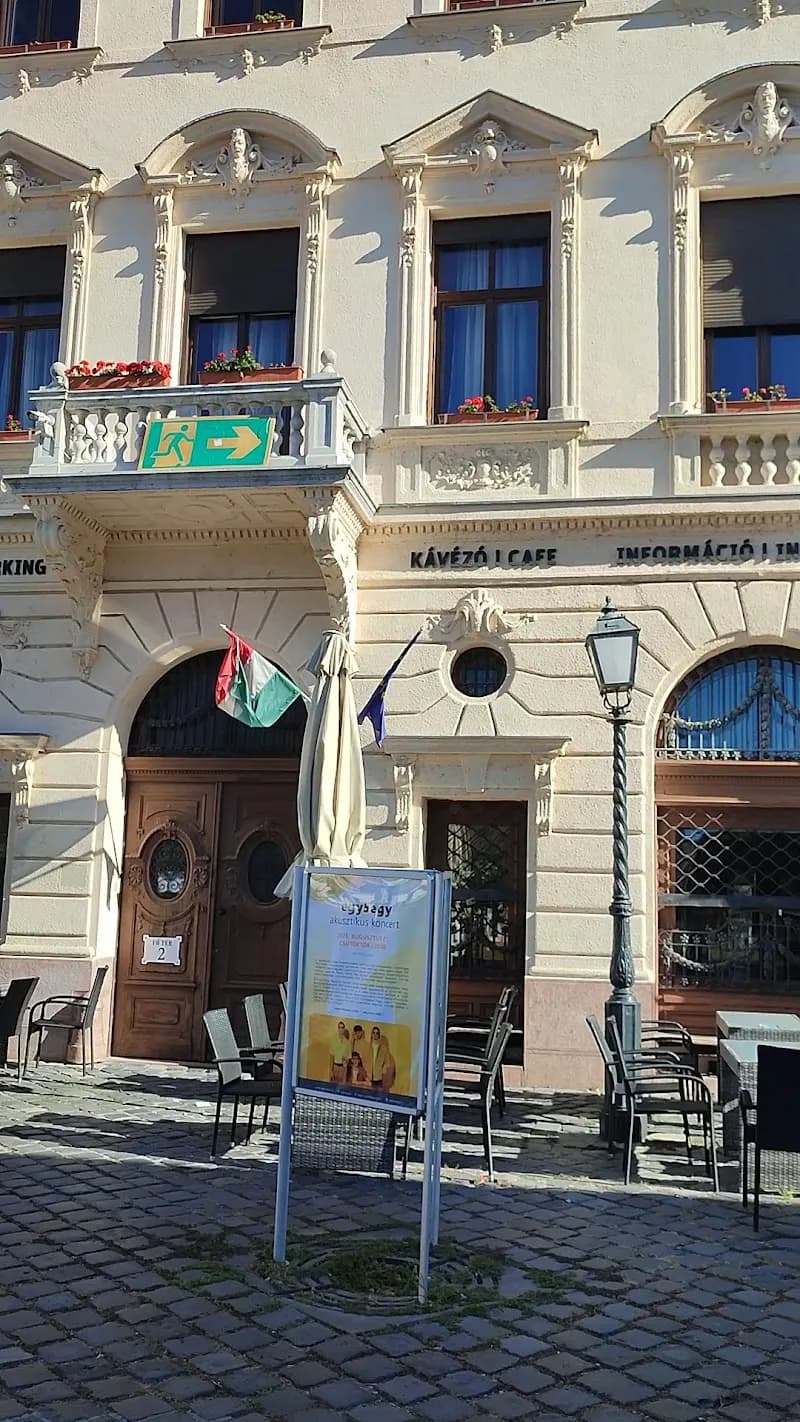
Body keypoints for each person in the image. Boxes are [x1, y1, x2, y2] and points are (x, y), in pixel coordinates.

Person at [369, 1025, 396, 1091]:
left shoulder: (383, 1048)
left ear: (379, 1035)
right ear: (371, 1034)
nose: (375, 1035)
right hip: (368, 1076)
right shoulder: (368, 1046)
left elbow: (387, 1062)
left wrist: (383, 1069)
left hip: (379, 1077)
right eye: (374, 1033)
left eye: (377, 1033)